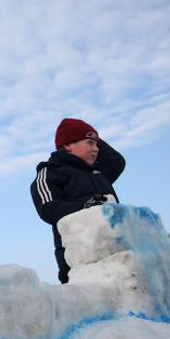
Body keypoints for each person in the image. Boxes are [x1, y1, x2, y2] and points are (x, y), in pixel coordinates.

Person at [30, 118, 125, 284]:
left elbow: (117, 161)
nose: (96, 148)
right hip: (79, 260)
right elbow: (48, 209)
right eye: (90, 143)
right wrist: (86, 206)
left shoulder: (98, 172)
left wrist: (93, 137)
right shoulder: (51, 172)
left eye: (97, 144)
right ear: (68, 145)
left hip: (116, 251)